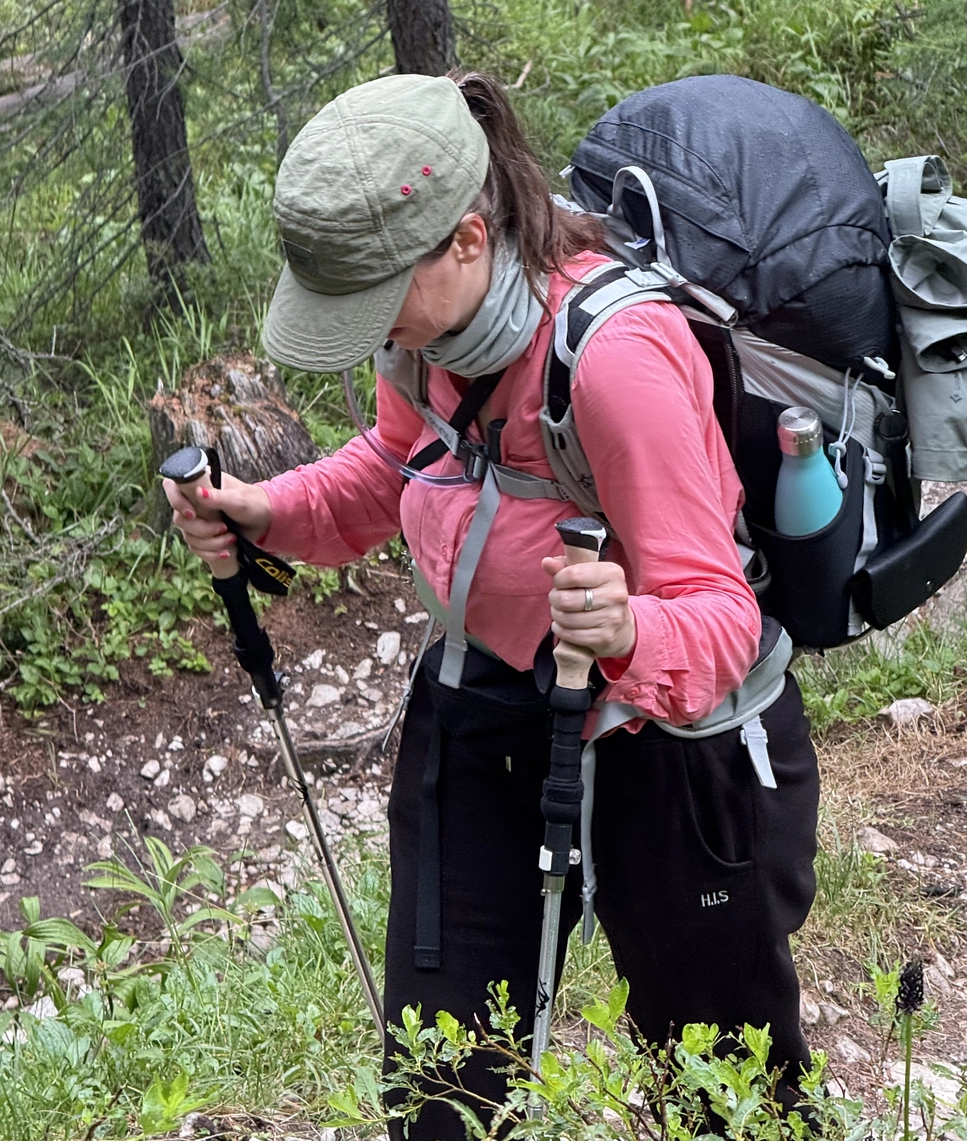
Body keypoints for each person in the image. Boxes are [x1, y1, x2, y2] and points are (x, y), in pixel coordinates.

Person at [163, 71, 820, 1138]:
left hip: (673, 754)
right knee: (443, 1091)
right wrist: (265, 511)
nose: (373, 332)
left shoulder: (617, 362)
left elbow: (718, 614)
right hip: (485, 716)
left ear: (468, 239)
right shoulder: (423, 344)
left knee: (732, 1104)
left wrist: (627, 629)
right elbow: (396, 469)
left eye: (376, 301)